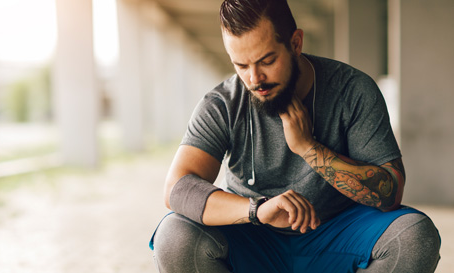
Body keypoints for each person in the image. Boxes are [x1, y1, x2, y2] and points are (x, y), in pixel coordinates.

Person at [150, 0, 441, 272]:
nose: (254, 79)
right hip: (253, 236)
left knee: (414, 235)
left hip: (338, 234)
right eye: (241, 65)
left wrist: (308, 148)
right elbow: (177, 188)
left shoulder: (352, 90)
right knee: (174, 236)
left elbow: (390, 193)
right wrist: (257, 211)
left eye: (266, 61)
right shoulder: (222, 103)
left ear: (296, 43)